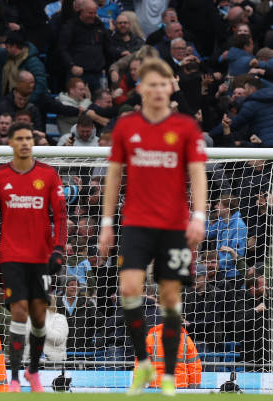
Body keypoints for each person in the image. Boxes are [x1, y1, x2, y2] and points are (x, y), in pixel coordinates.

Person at [98, 57, 207, 396]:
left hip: (175, 226)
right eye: (152, 84)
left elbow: (197, 173)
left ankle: (170, 375)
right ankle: (144, 364)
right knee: (129, 288)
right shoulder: (126, 127)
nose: (159, 90)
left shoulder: (187, 127)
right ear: (141, 89)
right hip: (136, 223)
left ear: (171, 87)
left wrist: (199, 216)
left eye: (164, 84)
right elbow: (114, 173)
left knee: (171, 297)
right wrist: (106, 222)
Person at [0, 122, 67, 392]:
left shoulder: (49, 175)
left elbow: (61, 216)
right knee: (19, 313)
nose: (25, 143)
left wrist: (59, 248)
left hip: (41, 257)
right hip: (11, 256)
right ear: (10, 143)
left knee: (40, 318)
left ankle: (33, 372)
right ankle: (15, 377)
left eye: (29, 138)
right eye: (19, 138)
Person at [140, 323, 202, 389]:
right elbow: (195, 366)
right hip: (180, 385)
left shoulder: (150, 339)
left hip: (156, 385)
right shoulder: (186, 339)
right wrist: (194, 388)